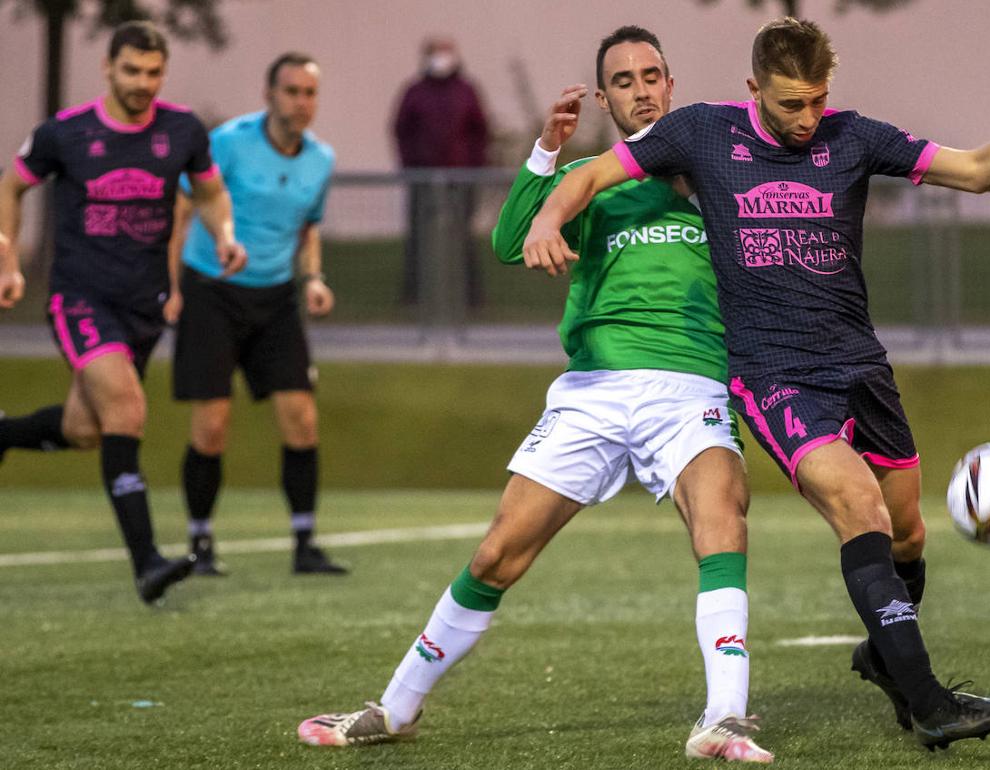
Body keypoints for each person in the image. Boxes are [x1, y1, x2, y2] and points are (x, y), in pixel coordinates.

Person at [522, 17, 990, 752]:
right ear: (754, 88)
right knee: (862, 510)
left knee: (908, 535)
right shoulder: (701, 133)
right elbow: (594, 172)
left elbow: (977, 171)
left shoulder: (853, 137)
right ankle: (931, 704)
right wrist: (548, 218)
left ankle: (883, 660)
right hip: (774, 374)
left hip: (860, 366)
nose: (806, 118)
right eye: (790, 104)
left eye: (817, 100)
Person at [297, 26, 772, 763]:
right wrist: (546, 156)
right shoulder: (593, 180)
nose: (641, 89)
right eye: (623, 80)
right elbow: (509, 240)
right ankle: (394, 710)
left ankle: (725, 718)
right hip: (593, 392)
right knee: (496, 556)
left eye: (652, 75)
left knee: (722, 517)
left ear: (671, 86)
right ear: (606, 98)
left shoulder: (718, 183)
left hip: (689, 389)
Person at [0, 21, 246, 603]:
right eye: (131, 70)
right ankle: (146, 563)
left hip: (145, 305)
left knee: (85, 429)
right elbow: (10, 187)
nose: (142, 82)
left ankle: (5, 433)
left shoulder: (182, 130)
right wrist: (7, 258)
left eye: (153, 72)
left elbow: (209, 191)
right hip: (79, 298)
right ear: (107, 68)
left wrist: (226, 235)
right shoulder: (65, 133)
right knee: (127, 410)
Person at [165, 52, 346, 577]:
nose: (301, 102)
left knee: (302, 420)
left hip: (275, 296)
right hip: (211, 291)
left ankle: (304, 544)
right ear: (269, 94)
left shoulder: (321, 159)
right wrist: (171, 286)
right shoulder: (227, 142)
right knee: (211, 427)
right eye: (291, 91)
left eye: (310, 93)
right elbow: (180, 208)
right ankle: (200, 546)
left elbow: (308, 229)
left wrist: (313, 279)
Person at [391, 37, 490, 309]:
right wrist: (410, 166)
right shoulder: (415, 92)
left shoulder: (466, 91)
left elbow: (480, 132)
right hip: (423, 177)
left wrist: (474, 167)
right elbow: (402, 130)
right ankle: (413, 295)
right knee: (419, 238)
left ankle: (471, 297)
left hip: (461, 178)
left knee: (463, 238)